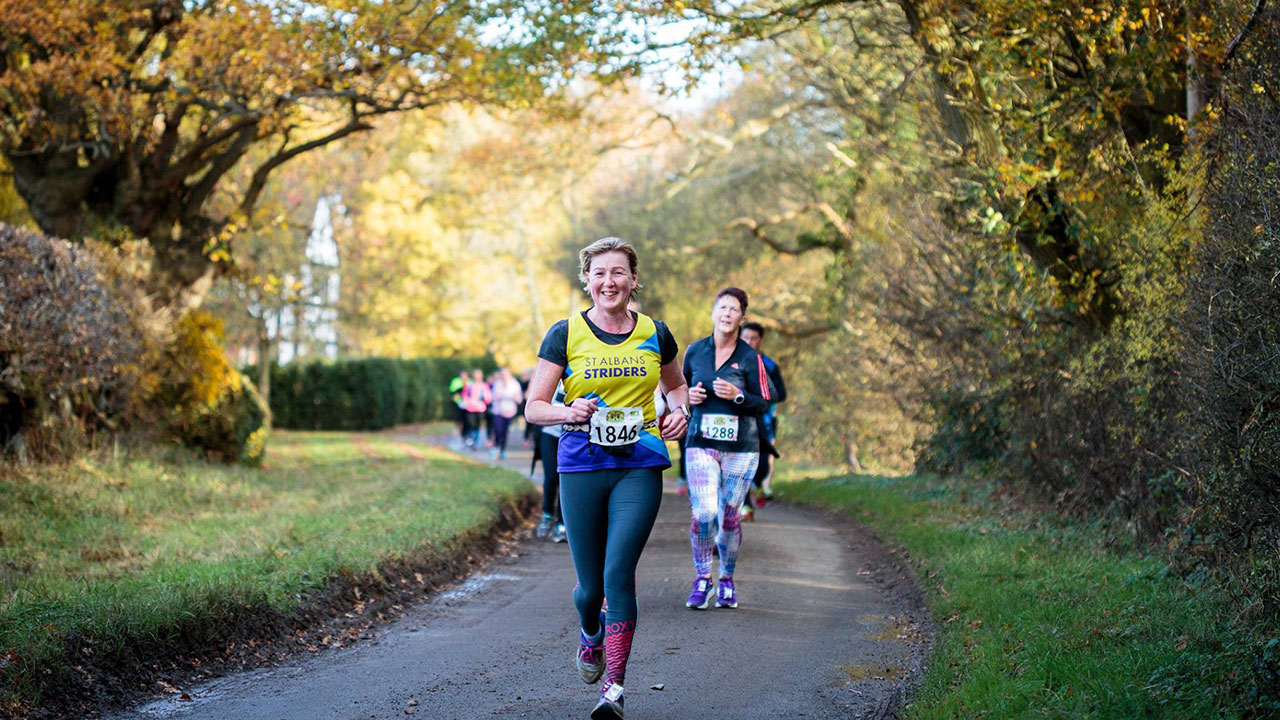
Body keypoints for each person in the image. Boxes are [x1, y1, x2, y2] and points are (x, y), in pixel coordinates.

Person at [525, 237, 688, 720]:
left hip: (639, 463)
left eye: (618, 273)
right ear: (587, 280)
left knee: (619, 575)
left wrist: (679, 413)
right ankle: (590, 633)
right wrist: (567, 409)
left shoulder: (656, 333)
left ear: (633, 280)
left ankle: (613, 690)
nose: (609, 282)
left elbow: (675, 386)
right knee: (589, 590)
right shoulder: (565, 333)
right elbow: (534, 408)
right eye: (599, 273)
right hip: (579, 464)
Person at [681, 287, 771, 610]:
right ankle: (703, 578)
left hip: (741, 449)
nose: (727, 313)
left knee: (730, 516)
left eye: (734, 309)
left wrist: (737, 395)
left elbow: (764, 402)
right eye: (722, 307)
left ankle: (727, 580)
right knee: (704, 512)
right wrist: (687, 398)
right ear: (713, 312)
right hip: (701, 444)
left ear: (742, 318)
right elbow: (679, 390)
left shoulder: (751, 358)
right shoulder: (695, 352)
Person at [739, 322, 787, 513]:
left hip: (764, 421)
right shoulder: (730, 360)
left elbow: (780, 393)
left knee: (762, 465)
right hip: (739, 421)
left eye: (753, 338)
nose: (749, 342)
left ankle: (756, 487)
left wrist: (759, 395)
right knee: (740, 460)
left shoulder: (769, 365)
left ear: (760, 340)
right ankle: (744, 504)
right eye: (746, 337)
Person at [490, 368, 523, 459]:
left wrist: (510, 397)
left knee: (505, 431)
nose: (504, 376)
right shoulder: (497, 384)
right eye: (503, 374)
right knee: (498, 430)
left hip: (510, 411)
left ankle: (502, 450)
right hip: (498, 411)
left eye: (506, 374)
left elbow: (519, 399)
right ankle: (496, 447)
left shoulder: (515, 384)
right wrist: (506, 396)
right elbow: (494, 397)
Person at [461, 368, 491, 449]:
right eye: (475, 375)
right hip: (470, 408)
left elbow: (488, 397)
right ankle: (471, 439)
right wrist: (467, 401)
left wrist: (485, 399)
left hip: (480, 409)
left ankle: (475, 442)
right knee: (470, 424)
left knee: (477, 425)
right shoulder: (469, 385)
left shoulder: (484, 385)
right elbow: (465, 395)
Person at [449, 370, 468, 445]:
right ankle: (461, 434)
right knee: (459, 420)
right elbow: (452, 391)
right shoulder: (456, 381)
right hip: (458, 403)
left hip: (467, 404)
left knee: (466, 420)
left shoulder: (470, 381)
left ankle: (466, 434)